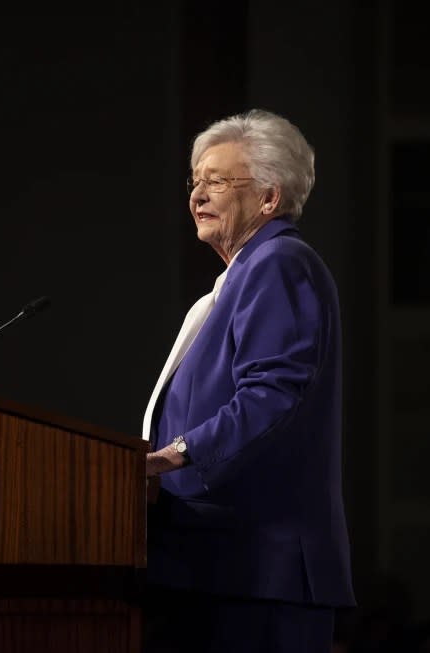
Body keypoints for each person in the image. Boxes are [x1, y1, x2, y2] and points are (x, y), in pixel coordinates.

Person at [142, 109, 355, 652]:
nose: (197, 195)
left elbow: (272, 392)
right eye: (196, 182)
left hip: (255, 567)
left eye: (218, 182)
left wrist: (174, 455)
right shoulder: (242, 274)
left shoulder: (278, 262)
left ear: (268, 197)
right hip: (218, 564)